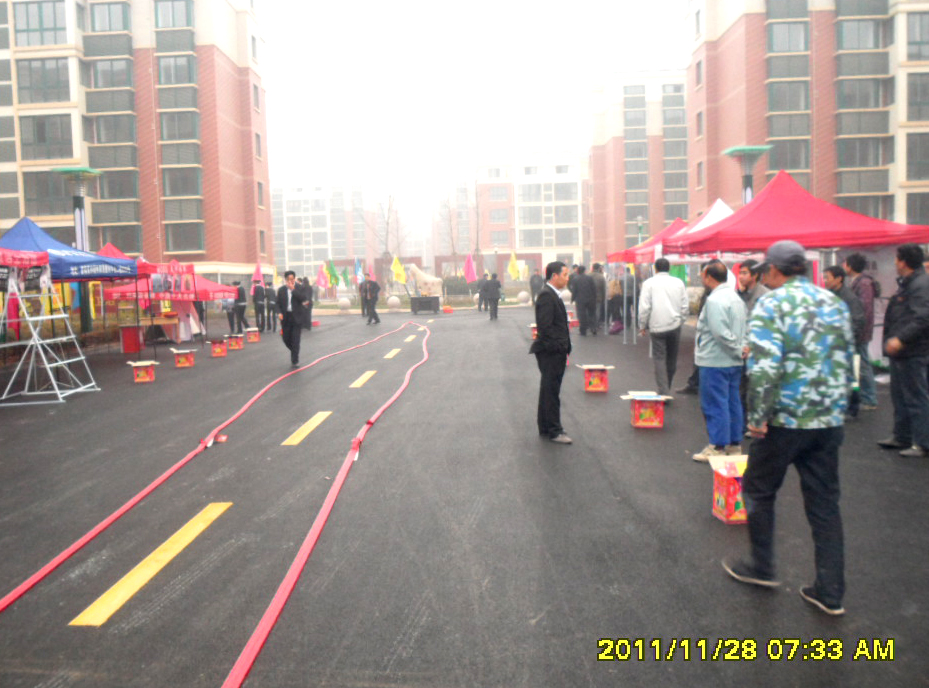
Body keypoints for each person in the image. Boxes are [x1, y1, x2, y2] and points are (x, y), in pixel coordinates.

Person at [723, 240, 854, 617]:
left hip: (784, 419)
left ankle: (762, 566)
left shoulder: (771, 304)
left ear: (775, 270)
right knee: (824, 503)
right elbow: (847, 357)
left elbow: (765, 368)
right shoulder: (833, 302)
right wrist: (841, 406)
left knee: (759, 489)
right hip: (826, 418)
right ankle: (830, 591)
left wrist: (757, 418)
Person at [877, 243, 929, 458]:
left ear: (904, 262)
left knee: (916, 397)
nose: (895, 263)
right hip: (903, 352)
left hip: (913, 350)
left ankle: (922, 443)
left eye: (897, 259)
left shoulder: (920, 284)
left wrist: (901, 339)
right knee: (900, 396)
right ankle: (902, 436)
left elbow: (922, 318)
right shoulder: (909, 283)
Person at [692, 260, 747, 461]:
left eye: (702, 274)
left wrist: (736, 348)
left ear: (708, 276)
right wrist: (741, 348)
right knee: (732, 402)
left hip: (714, 360)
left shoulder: (714, 300)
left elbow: (720, 333)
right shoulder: (736, 298)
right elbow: (744, 328)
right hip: (734, 361)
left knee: (715, 404)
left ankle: (717, 445)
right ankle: (734, 444)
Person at [529, 261, 572, 444]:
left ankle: (546, 426)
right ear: (554, 276)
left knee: (548, 390)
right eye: (565, 275)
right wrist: (559, 346)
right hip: (551, 352)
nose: (567, 278)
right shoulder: (547, 295)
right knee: (551, 392)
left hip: (554, 350)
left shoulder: (553, 294)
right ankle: (555, 430)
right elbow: (545, 327)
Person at [638, 258, 689, 396]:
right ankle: (668, 385)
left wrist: (642, 325)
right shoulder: (679, 283)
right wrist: (681, 320)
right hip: (675, 325)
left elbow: (644, 307)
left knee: (659, 358)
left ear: (655, 269)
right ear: (669, 268)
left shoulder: (648, 284)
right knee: (672, 358)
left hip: (657, 326)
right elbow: (685, 306)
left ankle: (663, 390)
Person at [824, 265, 867, 418]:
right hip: (833, 344)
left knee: (853, 377)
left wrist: (846, 339)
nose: (825, 280)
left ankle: (853, 407)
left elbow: (858, 321)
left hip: (847, 344)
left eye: (827, 277)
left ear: (838, 279)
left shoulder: (849, 298)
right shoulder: (829, 295)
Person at [843, 253, 879, 410]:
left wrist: (859, 330)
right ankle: (861, 397)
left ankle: (869, 399)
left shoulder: (863, 283)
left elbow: (865, 309)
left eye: (845, 263)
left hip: (861, 331)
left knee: (862, 364)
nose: (843, 266)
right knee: (858, 364)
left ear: (850, 266)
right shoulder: (857, 281)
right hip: (858, 330)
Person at [277, 271, 309, 368]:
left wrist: (293, 290)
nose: (290, 281)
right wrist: (279, 312)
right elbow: (277, 303)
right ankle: (294, 350)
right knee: (286, 338)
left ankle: (295, 360)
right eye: (288, 280)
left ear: (294, 279)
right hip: (286, 317)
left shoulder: (300, 288)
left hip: (297, 317)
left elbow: (304, 299)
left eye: (292, 279)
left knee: (295, 339)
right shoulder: (281, 290)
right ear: (285, 280)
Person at [571, 265, 598, 335]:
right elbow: (594, 289)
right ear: (584, 271)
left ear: (578, 271)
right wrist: (595, 298)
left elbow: (574, 291)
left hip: (580, 300)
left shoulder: (575, 279)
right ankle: (593, 328)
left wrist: (572, 299)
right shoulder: (590, 278)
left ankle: (583, 330)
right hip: (590, 299)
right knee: (592, 314)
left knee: (582, 315)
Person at [591, 263, 607, 332]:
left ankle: (591, 324)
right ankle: (596, 324)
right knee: (597, 311)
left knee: (590, 311)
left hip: (590, 297)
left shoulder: (588, 275)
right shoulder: (601, 277)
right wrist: (604, 297)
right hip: (599, 297)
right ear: (598, 268)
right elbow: (604, 289)